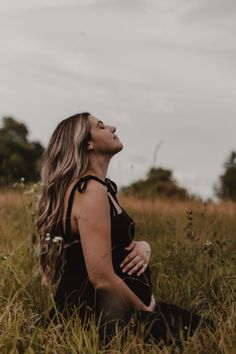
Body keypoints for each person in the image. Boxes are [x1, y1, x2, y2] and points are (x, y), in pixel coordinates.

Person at [35, 112, 213, 348]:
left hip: (115, 306)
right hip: (100, 312)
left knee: (205, 328)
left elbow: (111, 244)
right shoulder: (89, 189)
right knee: (199, 337)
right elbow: (101, 278)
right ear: (87, 142)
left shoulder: (102, 187)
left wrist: (144, 246)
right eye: (101, 126)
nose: (112, 127)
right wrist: (145, 311)